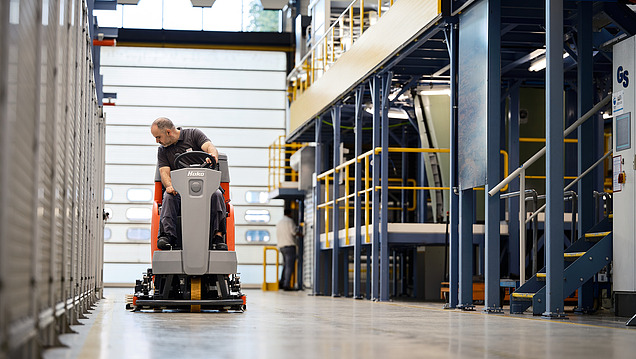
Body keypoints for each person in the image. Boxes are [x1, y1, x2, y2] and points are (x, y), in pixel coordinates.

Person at [150, 117, 227, 251]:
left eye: (158, 137)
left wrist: (213, 155)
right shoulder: (163, 150)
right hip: (180, 191)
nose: (157, 141)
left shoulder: (193, 135)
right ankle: (167, 236)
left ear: (168, 132)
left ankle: (218, 236)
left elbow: (209, 147)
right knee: (168, 197)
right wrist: (169, 186)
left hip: (205, 188)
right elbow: (164, 172)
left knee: (217, 194)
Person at [276, 208, 299, 290]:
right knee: (289, 266)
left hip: (281, 246)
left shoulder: (279, 222)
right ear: (289, 213)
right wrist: (301, 234)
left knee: (285, 265)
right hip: (289, 246)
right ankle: (286, 285)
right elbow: (294, 232)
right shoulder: (290, 221)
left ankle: (282, 282)